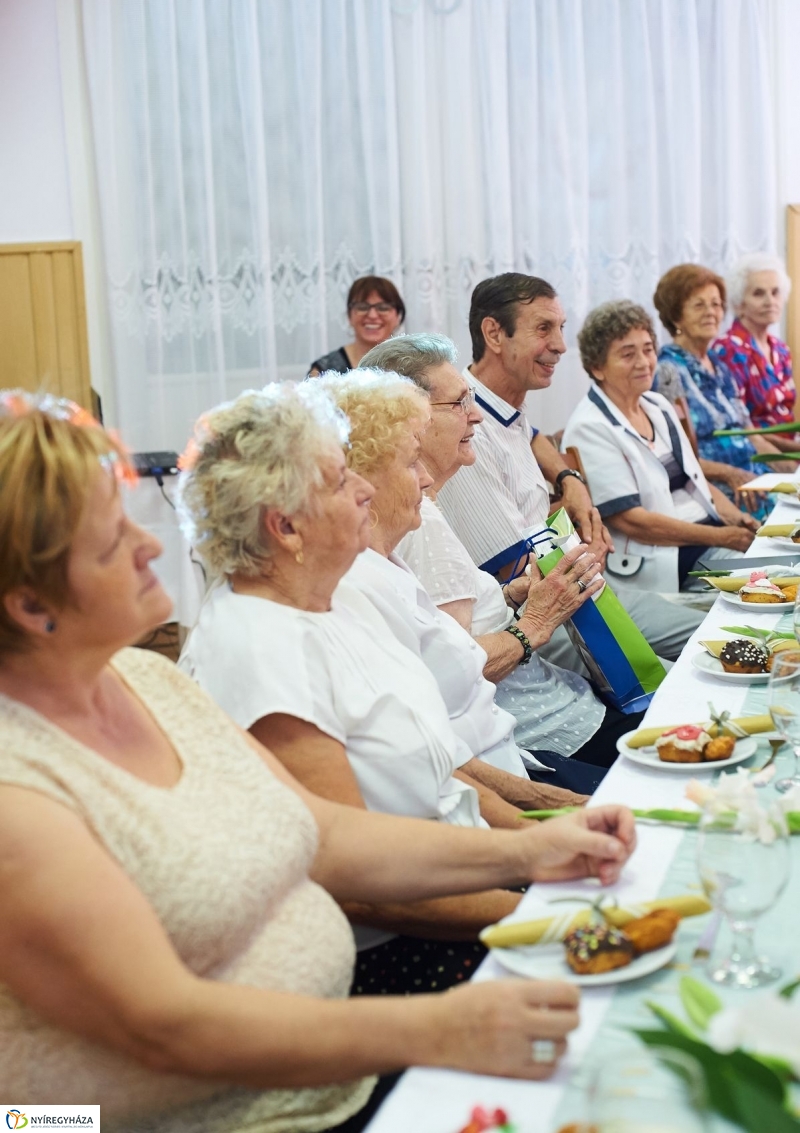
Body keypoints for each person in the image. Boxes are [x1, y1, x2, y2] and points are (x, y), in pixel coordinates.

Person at [0, 390, 636, 1130]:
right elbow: (165, 1026)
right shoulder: (20, 792)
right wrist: (442, 1027)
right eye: (114, 540)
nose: (150, 547)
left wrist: (534, 850)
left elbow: (326, 835)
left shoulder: (145, 679)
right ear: (31, 606)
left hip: (334, 1063)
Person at [176, 383, 629, 997]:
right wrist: (541, 909)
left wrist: (544, 835)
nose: (363, 489)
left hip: (473, 879)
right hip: (408, 947)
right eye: (340, 481)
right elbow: (360, 887)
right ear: (285, 527)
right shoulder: (258, 648)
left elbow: (441, 773)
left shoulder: (328, 599)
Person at [359, 334, 633, 781]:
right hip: (542, 730)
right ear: (411, 421)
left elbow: (443, 623)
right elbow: (451, 671)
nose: (476, 415)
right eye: (460, 403)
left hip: (556, 705)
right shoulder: (422, 523)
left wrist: (512, 594)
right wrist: (537, 620)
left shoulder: (425, 510)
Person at [436, 273, 705, 669]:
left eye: (560, 328)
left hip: (577, 590)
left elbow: (531, 435)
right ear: (494, 334)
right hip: (540, 616)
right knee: (687, 676)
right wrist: (581, 547)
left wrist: (570, 481)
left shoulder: (504, 407)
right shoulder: (467, 427)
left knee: (718, 635)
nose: (561, 345)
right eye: (544, 328)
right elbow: (512, 568)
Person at [563, 301, 755, 594]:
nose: (644, 362)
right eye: (628, 354)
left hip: (706, 539)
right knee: (769, 580)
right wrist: (723, 537)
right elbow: (633, 522)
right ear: (597, 367)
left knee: (781, 563)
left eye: (648, 349)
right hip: (668, 558)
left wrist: (738, 520)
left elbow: (695, 480)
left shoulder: (657, 405)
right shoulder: (589, 427)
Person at [652, 263, 788, 516]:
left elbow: (752, 436)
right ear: (676, 316)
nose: (711, 312)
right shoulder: (668, 370)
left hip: (753, 475)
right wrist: (730, 474)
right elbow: (672, 455)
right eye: (699, 305)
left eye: (716, 304)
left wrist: (792, 472)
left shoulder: (719, 365)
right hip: (717, 487)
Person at [710, 253, 796, 445]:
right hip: (756, 452)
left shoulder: (781, 350)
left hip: (790, 447)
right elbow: (738, 425)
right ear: (739, 303)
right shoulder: (728, 350)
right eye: (758, 293)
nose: (770, 301)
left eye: (775, 292)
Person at [308, 276, 405, 376]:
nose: (372, 315)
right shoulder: (322, 371)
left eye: (383, 308)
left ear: (398, 316)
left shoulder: (413, 365)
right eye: (362, 307)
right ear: (349, 316)